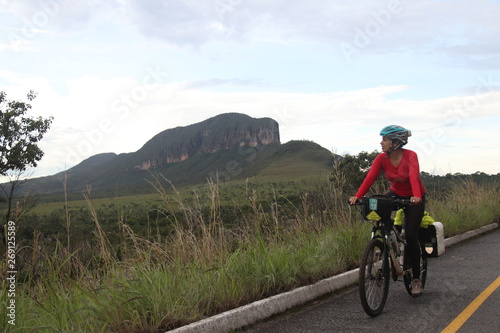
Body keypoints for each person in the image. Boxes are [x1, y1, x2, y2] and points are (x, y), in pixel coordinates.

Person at [349, 125, 426, 296]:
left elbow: (414, 176)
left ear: (396, 142)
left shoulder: (410, 156)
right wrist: (358, 196)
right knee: (377, 207)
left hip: (414, 198)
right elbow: (370, 177)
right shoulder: (381, 158)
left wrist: (415, 196)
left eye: (384, 139)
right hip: (395, 193)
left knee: (412, 236)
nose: (381, 142)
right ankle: (387, 245)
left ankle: (415, 279)